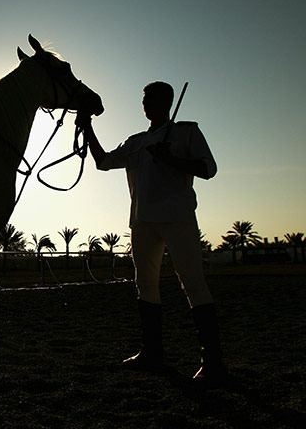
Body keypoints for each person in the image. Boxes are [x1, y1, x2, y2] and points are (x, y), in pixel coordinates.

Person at [77, 81, 226, 384]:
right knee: (144, 283)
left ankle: (212, 361)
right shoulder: (135, 142)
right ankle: (152, 352)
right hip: (142, 221)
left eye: (152, 98)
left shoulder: (187, 132)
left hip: (177, 218)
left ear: (167, 101)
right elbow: (103, 162)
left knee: (193, 282)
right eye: (144, 99)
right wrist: (88, 128)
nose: (146, 104)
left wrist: (171, 159)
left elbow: (208, 168)